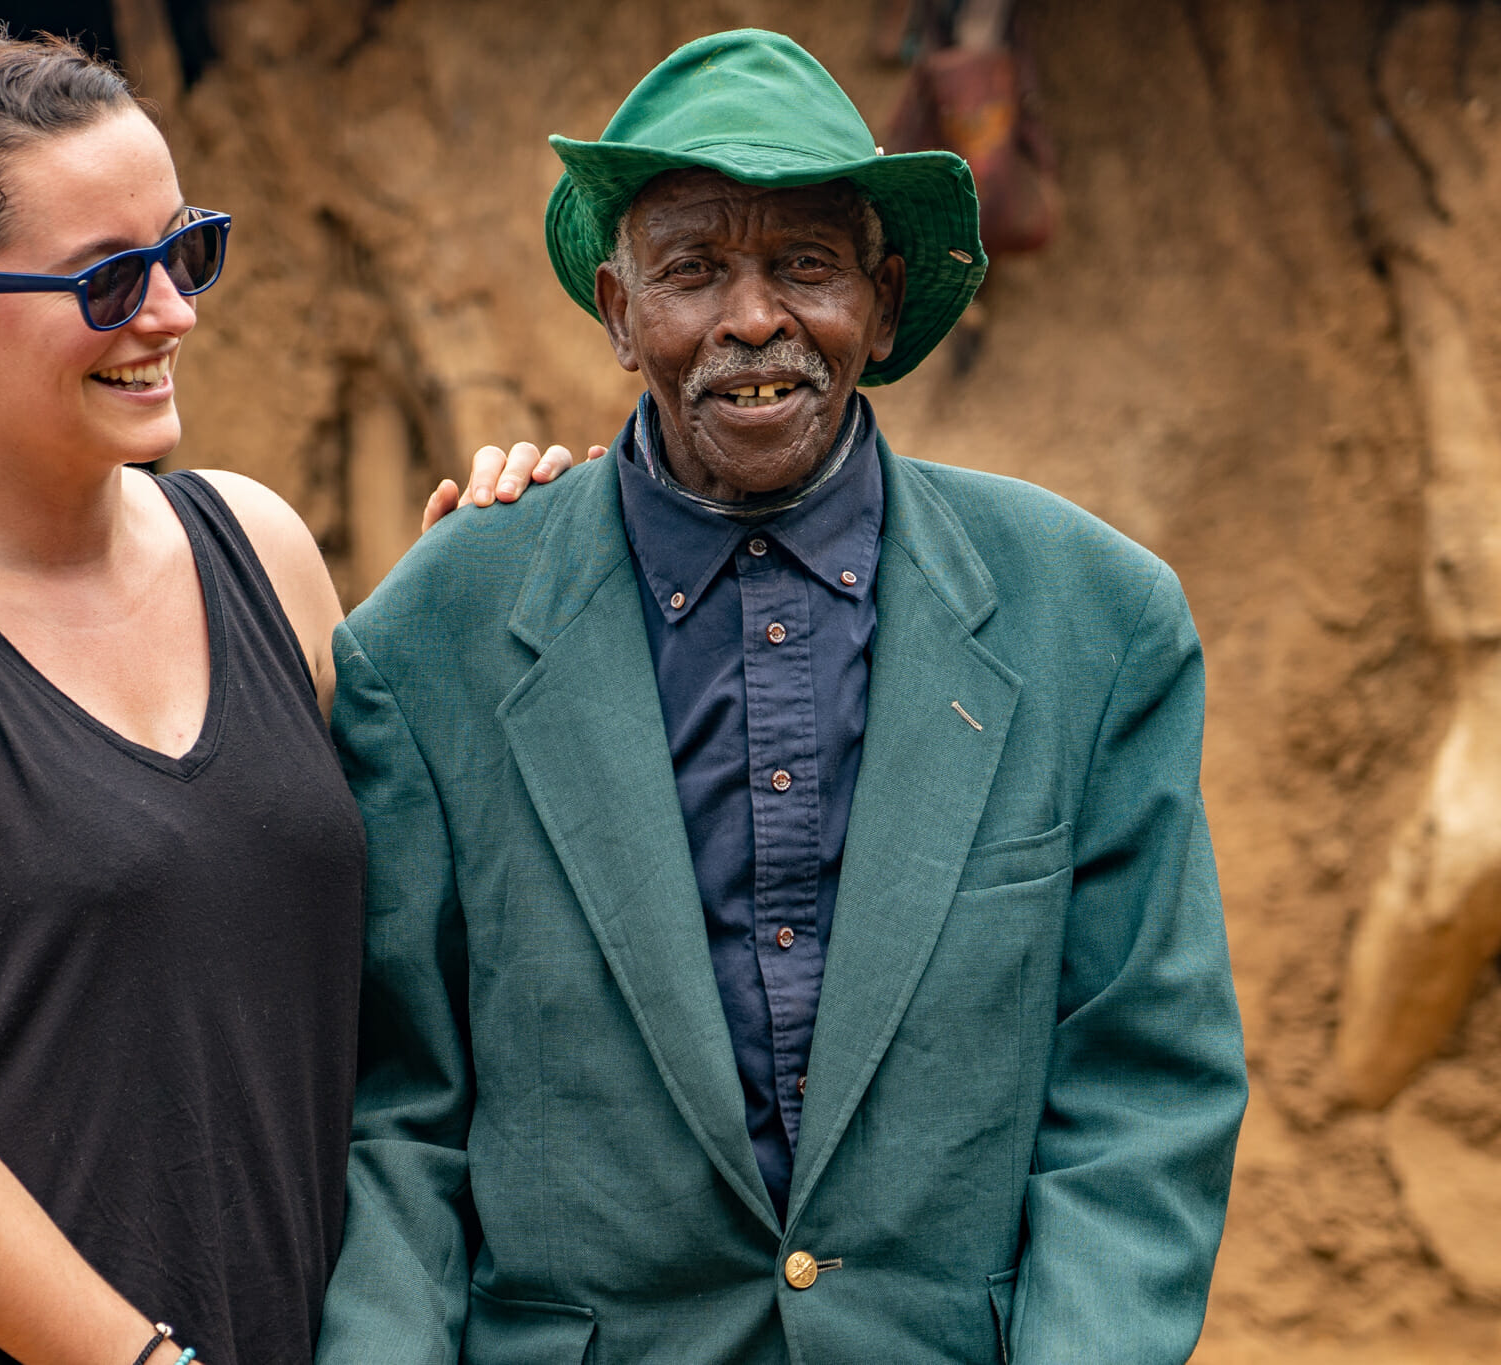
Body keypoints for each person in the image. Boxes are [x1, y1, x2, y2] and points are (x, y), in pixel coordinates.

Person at [317, 28, 1247, 1365]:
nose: (753, 316)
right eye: (693, 269)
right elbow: (395, 1126)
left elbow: (1141, 1089)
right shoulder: (432, 640)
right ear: (616, 309)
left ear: (877, 296)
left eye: (802, 264)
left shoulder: (1093, 624)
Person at [0, 27, 572, 1365]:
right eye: (108, 278)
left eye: (182, 251)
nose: (171, 313)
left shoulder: (264, 547)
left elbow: (425, 922)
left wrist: (495, 583)